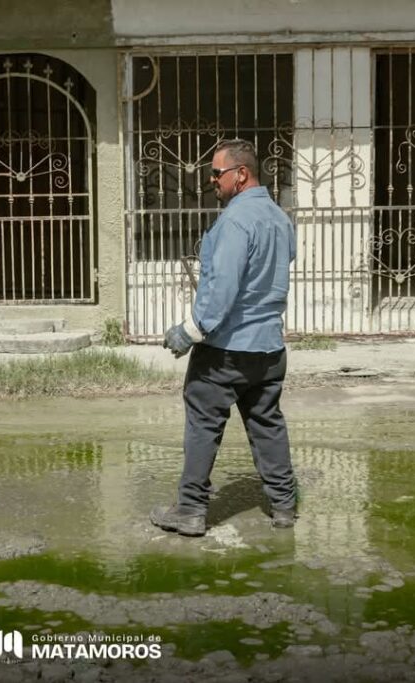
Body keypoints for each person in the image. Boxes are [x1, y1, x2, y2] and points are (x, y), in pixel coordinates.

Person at [150, 138, 297, 536]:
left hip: (225, 350)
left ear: (241, 174)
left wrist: (189, 331)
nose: (212, 180)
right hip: (269, 347)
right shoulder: (280, 219)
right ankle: (284, 505)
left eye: (217, 173)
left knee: (203, 423)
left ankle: (191, 511)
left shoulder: (235, 221)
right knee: (267, 423)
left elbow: (223, 290)